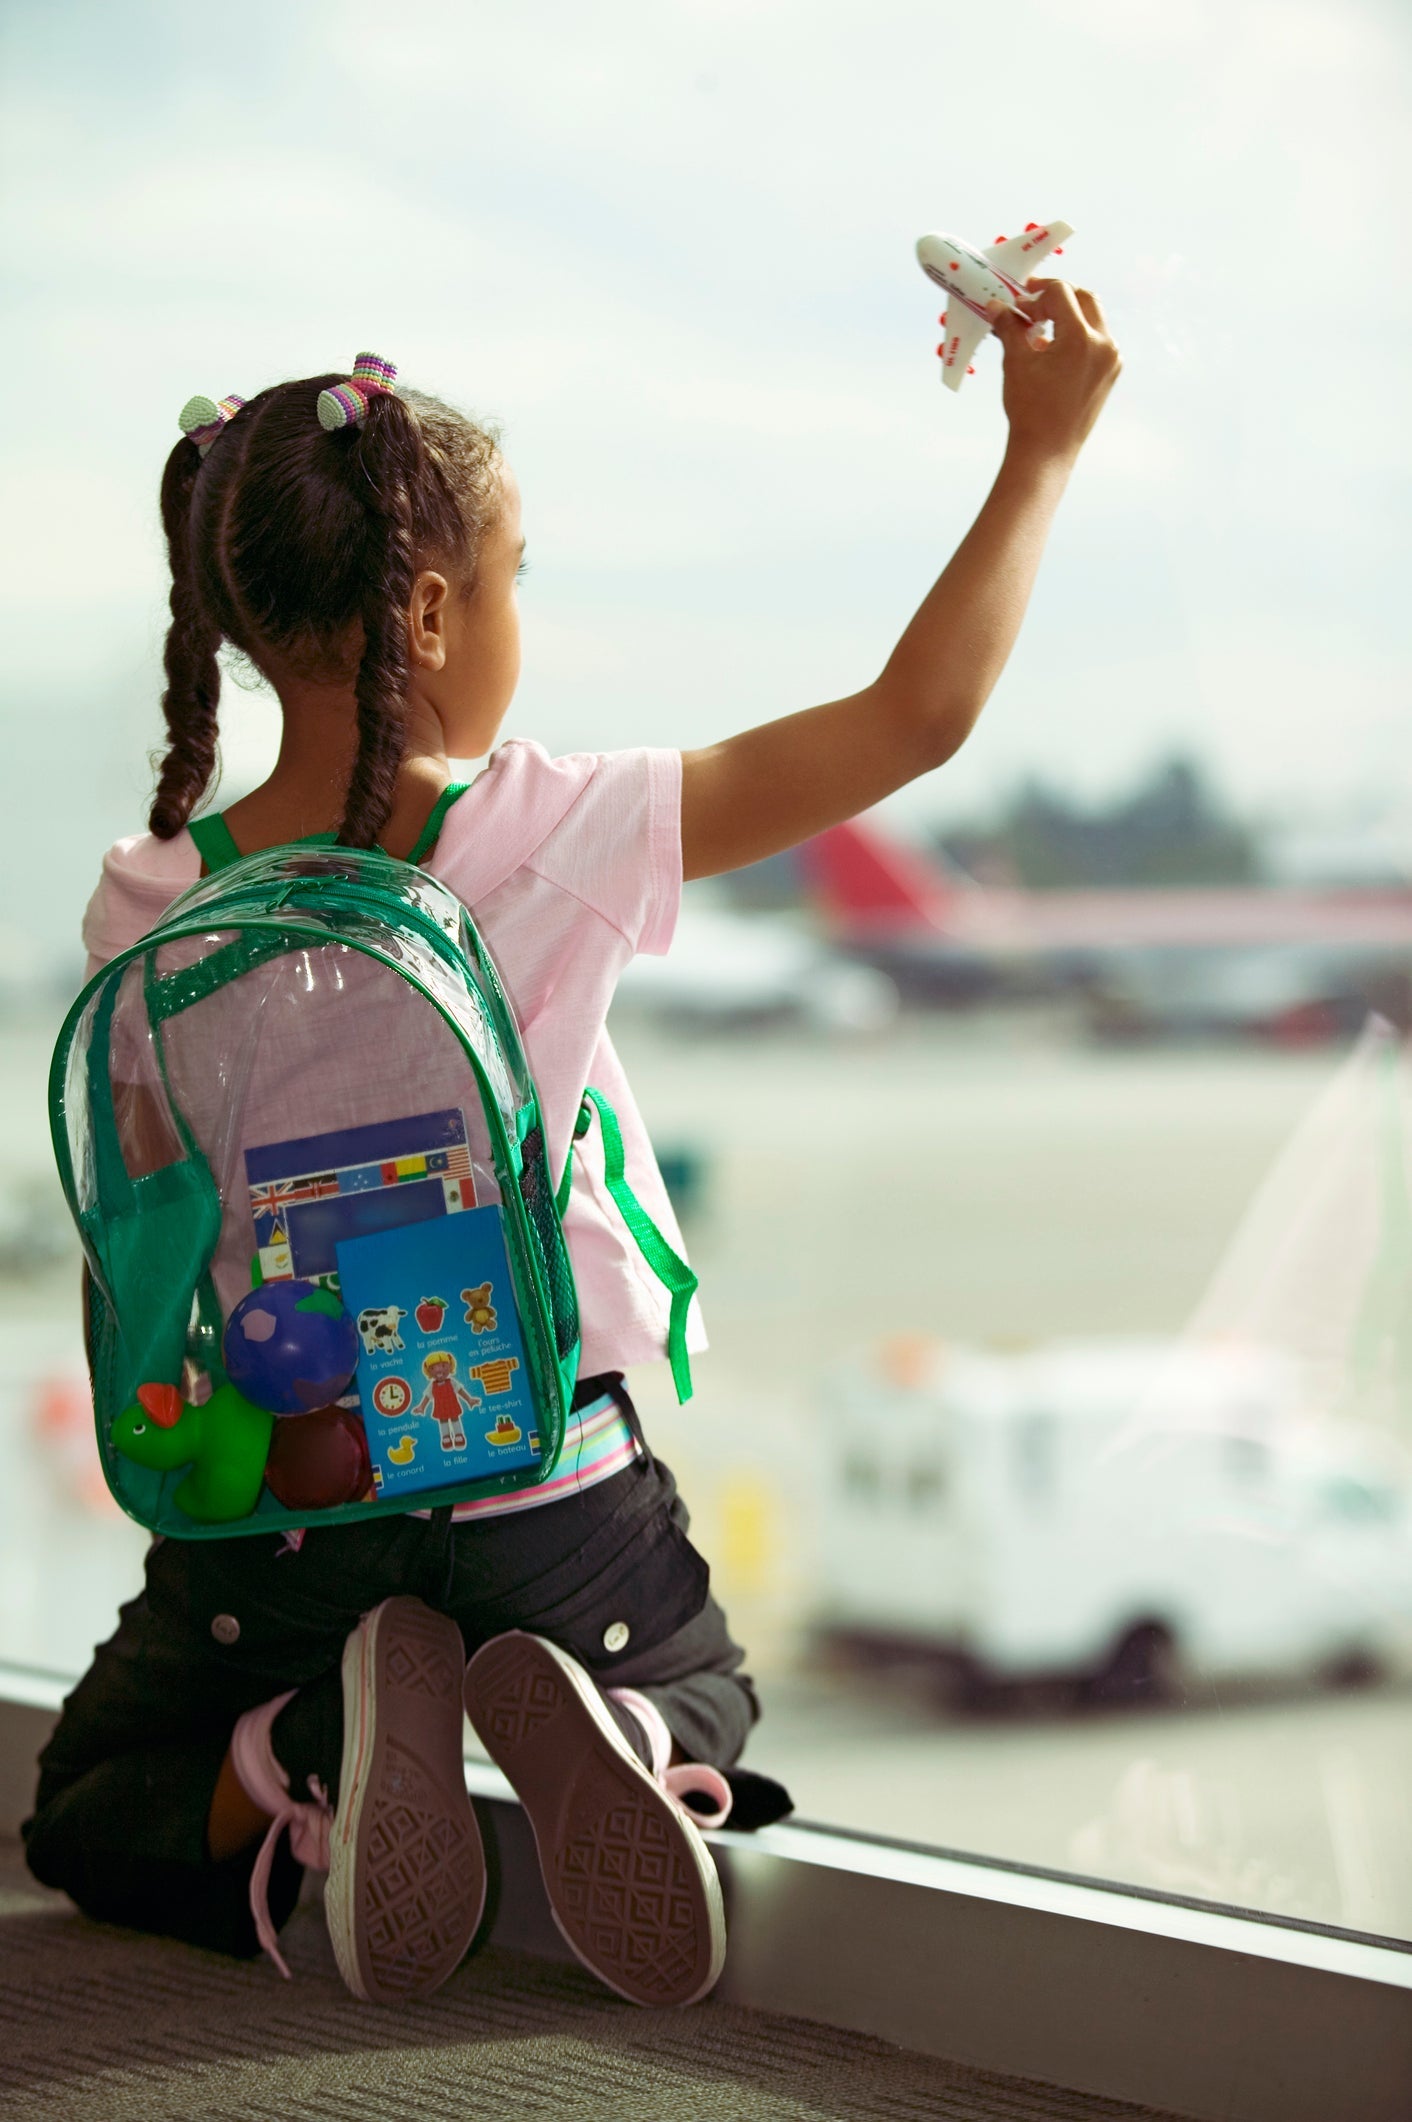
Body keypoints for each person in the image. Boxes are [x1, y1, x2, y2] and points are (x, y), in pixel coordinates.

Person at [23, 287, 1120, 2009]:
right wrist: (1041, 450)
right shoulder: (558, 826)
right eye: (518, 570)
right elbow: (917, 716)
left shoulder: (144, 903)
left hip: (290, 1512)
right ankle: (626, 1720)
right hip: (548, 1495)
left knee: (88, 1804)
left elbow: (165, 1213)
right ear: (440, 605)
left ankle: (311, 1746)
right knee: (721, 1692)